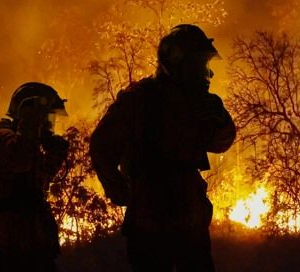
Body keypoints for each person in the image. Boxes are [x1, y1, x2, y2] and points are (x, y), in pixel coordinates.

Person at [90, 24, 236, 272]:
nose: (206, 72)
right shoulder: (138, 99)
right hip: (150, 222)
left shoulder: (199, 101)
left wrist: (220, 118)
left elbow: (220, 142)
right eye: (199, 63)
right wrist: (122, 192)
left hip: (190, 220)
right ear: (179, 62)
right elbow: (101, 146)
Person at [0, 82, 70, 272]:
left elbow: (36, 183)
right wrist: (32, 123)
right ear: (31, 113)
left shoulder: (23, 142)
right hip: (16, 245)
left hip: (35, 242)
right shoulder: (3, 137)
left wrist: (55, 157)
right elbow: (21, 162)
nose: (50, 124)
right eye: (47, 117)